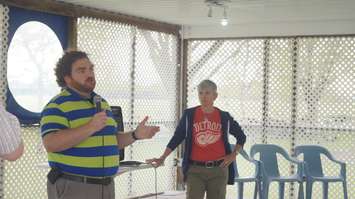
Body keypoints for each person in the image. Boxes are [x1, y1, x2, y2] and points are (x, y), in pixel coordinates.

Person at [40, 51, 159, 199]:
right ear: (67, 78)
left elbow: (112, 140)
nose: (89, 74)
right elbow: (51, 143)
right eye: (82, 70)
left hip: (106, 185)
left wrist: (135, 135)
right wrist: (90, 127)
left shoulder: (101, 103)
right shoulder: (57, 106)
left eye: (91, 69)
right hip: (75, 187)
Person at [147, 80, 246, 199]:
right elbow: (177, 137)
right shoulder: (189, 115)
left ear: (215, 96)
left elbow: (241, 136)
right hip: (195, 170)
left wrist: (233, 155)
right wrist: (162, 157)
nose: (203, 97)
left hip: (218, 170)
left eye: (207, 93)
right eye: (200, 93)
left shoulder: (224, 116)